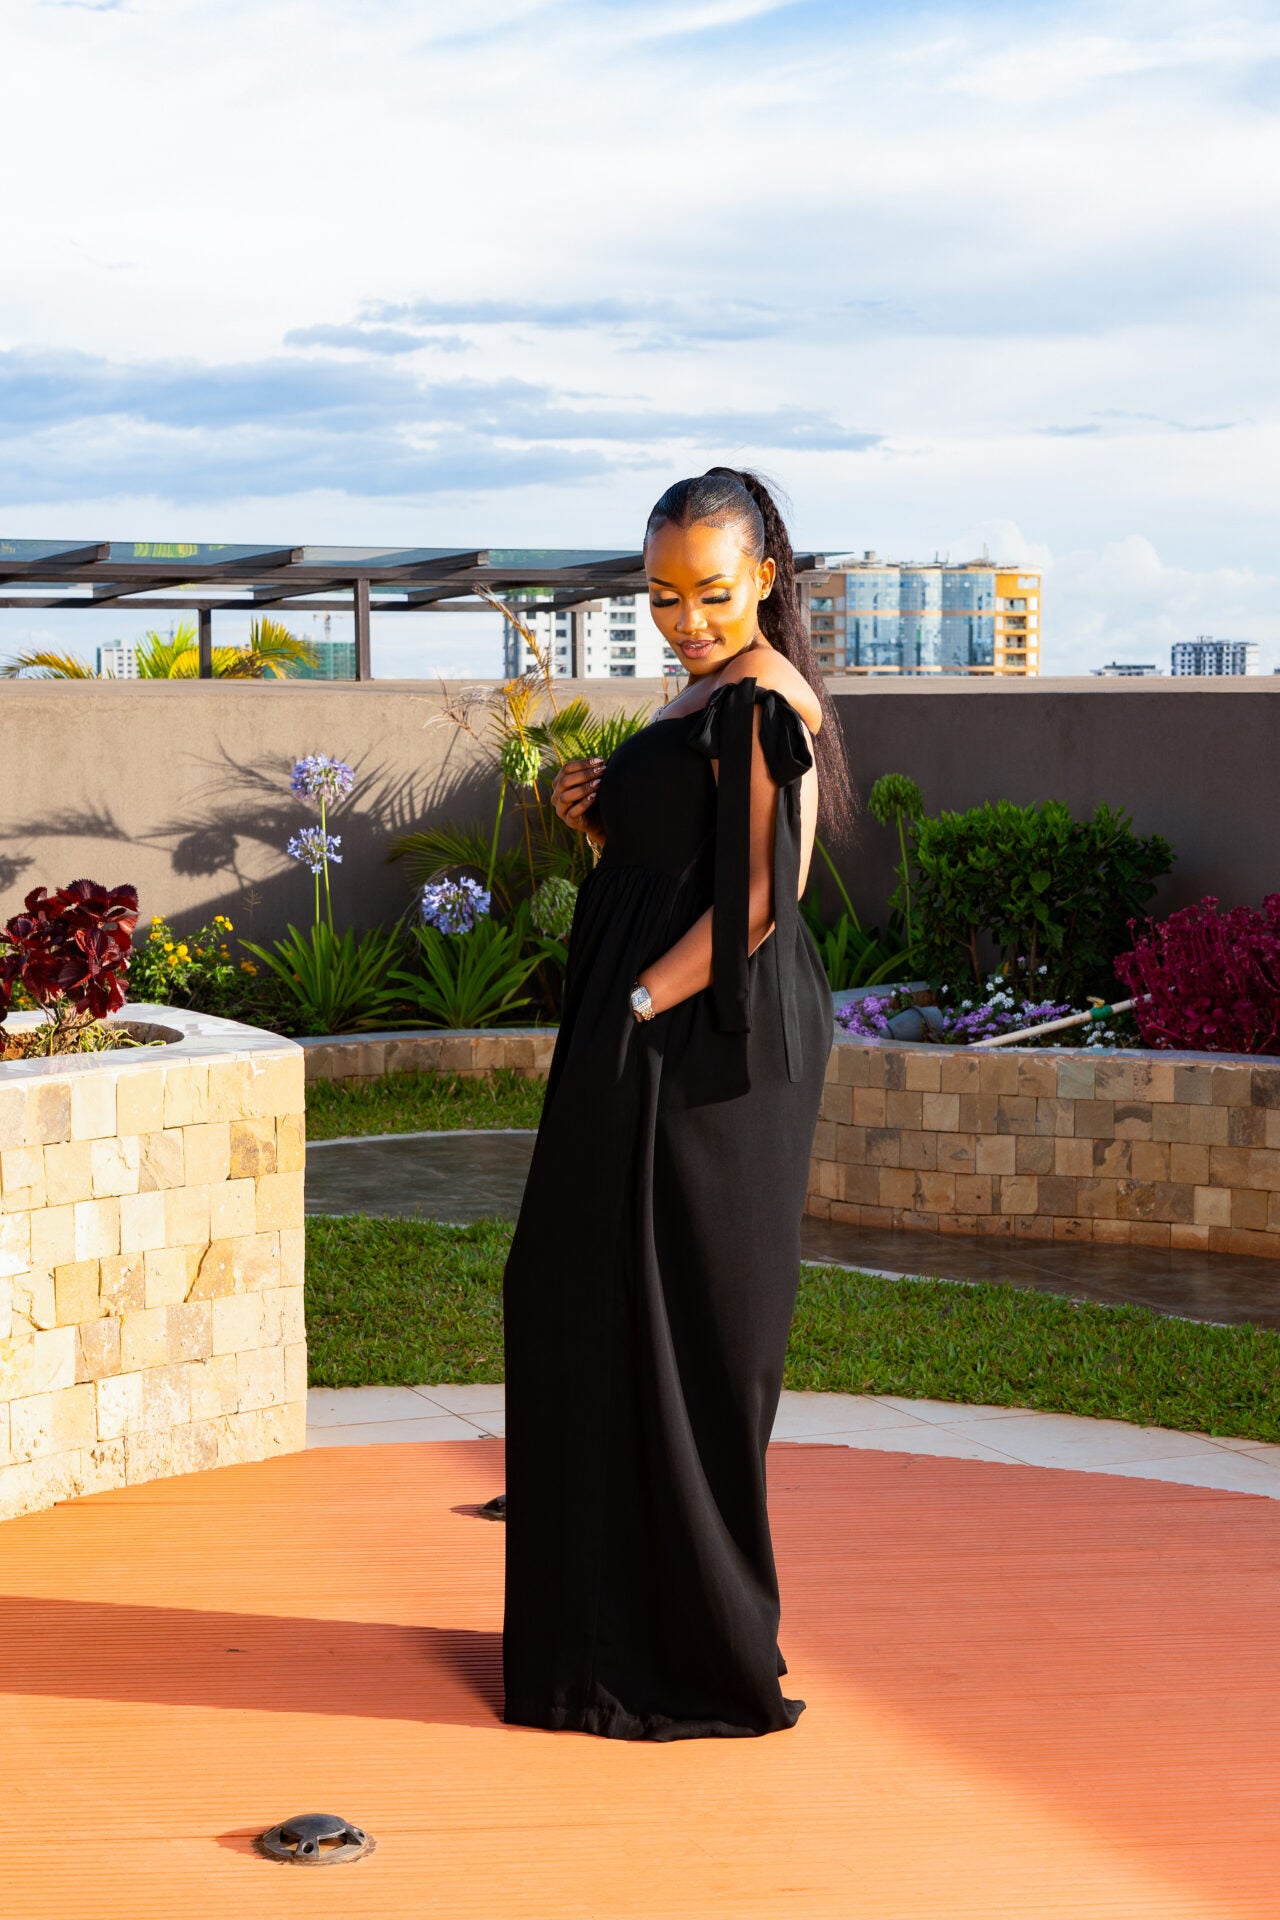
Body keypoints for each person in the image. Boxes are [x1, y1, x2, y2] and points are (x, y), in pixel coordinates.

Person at [501, 467, 853, 1741]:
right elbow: (682, 862)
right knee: (591, 1300)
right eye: (659, 595)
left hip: (699, 1038)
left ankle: (670, 1653)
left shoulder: (761, 698)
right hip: (654, 1019)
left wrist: (639, 1008)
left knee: (671, 1322)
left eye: (709, 591)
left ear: (764, 575)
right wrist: (596, 819)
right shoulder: (703, 693)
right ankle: (603, 1633)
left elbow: (758, 899)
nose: (684, 618)